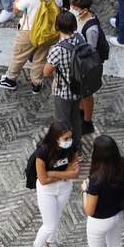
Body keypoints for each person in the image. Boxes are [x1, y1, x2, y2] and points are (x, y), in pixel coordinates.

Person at [0, 0, 61, 92]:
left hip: (28, 31)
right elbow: (59, 6)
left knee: (19, 56)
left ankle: (10, 79)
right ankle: (36, 83)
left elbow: (16, 8)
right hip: (47, 31)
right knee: (40, 58)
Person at [30, 120, 79, 247]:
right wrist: (65, 174)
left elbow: (75, 173)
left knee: (56, 218)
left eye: (70, 138)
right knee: (49, 224)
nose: (69, 141)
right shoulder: (43, 152)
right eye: (65, 139)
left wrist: (53, 173)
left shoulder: (73, 147)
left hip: (64, 188)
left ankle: (50, 244)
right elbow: (43, 180)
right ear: (56, 138)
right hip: (47, 191)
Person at [43, 12, 85, 152]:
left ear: (57, 27)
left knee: (62, 123)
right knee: (76, 120)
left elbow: (46, 72)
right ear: (74, 26)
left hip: (63, 91)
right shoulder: (81, 39)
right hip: (78, 88)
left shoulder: (57, 50)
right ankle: (77, 149)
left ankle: (64, 151)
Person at [68, 0, 101, 134]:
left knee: (87, 93)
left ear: (85, 10)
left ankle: (87, 121)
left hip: (86, 65)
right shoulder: (80, 19)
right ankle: (81, 111)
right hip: (78, 62)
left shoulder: (91, 29)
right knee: (81, 92)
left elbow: (91, 50)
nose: (72, 10)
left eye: (75, 8)